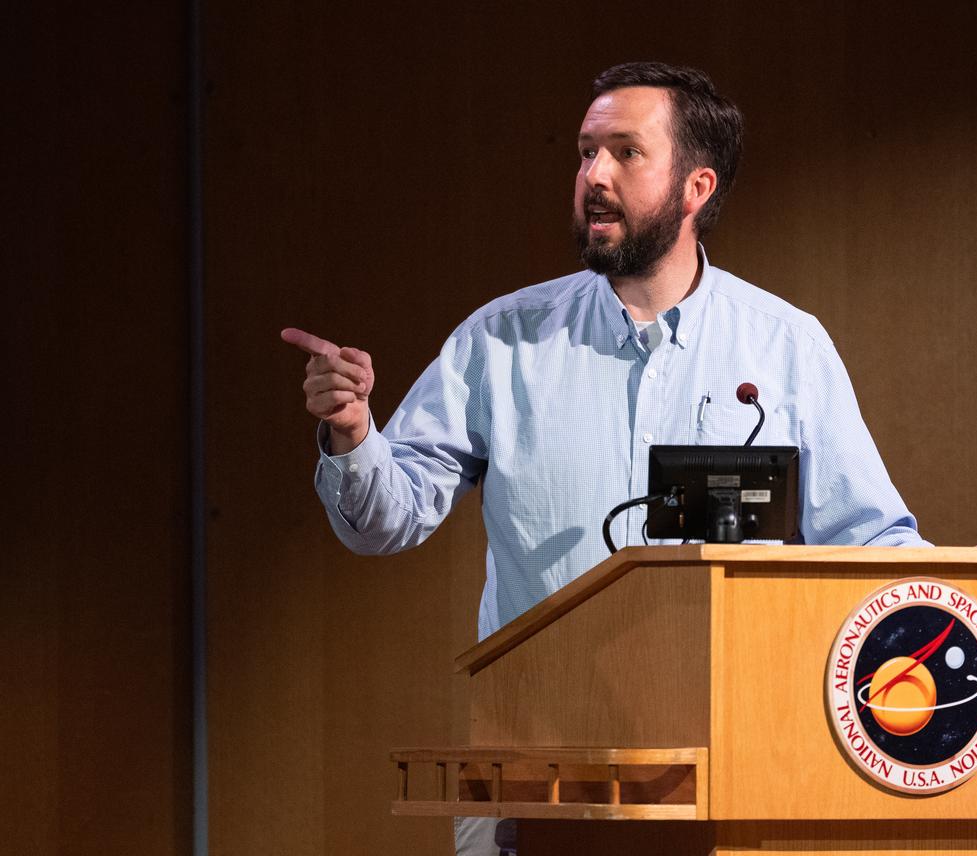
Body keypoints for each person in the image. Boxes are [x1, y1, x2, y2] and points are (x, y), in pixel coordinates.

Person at [283, 61, 927, 855]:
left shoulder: (785, 347)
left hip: (728, 765)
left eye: (625, 153)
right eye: (586, 153)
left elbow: (869, 542)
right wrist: (352, 432)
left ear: (696, 187)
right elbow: (386, 521)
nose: (594, 175)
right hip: (536, 764)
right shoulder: (503, 340)